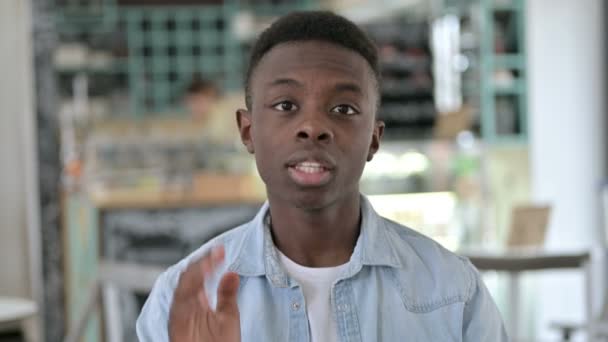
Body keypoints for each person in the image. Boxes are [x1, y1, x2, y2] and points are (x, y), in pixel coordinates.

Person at [137, 11, 508, 342]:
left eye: (344, 108)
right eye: (286, 105)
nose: (313, 127)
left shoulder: (453, 291)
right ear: (248, 131)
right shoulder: (180, 300)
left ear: (374, 140)